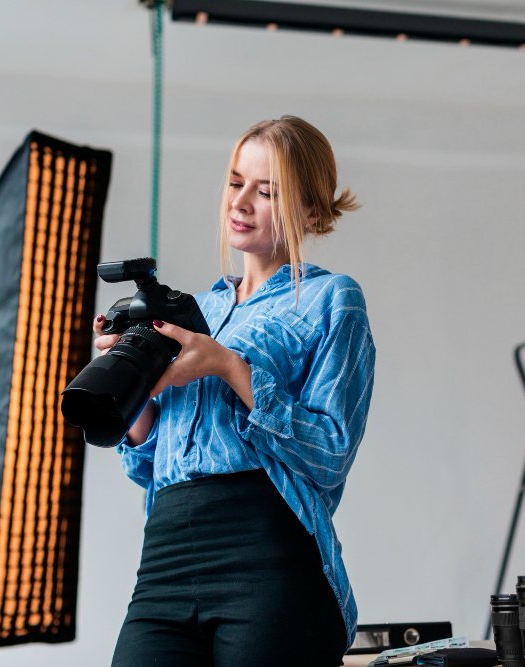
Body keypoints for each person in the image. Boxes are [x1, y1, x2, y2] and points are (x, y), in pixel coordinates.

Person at [97, 116, 376, 666]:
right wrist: (129, 395)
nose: (241, 202)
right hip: (166, 555)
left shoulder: (332, 299)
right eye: (235, 182)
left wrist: (230, 366)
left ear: (312, 212)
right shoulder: (191, 311)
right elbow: (150, 462)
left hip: (268, 555)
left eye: (267, 191)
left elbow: (331, 452)